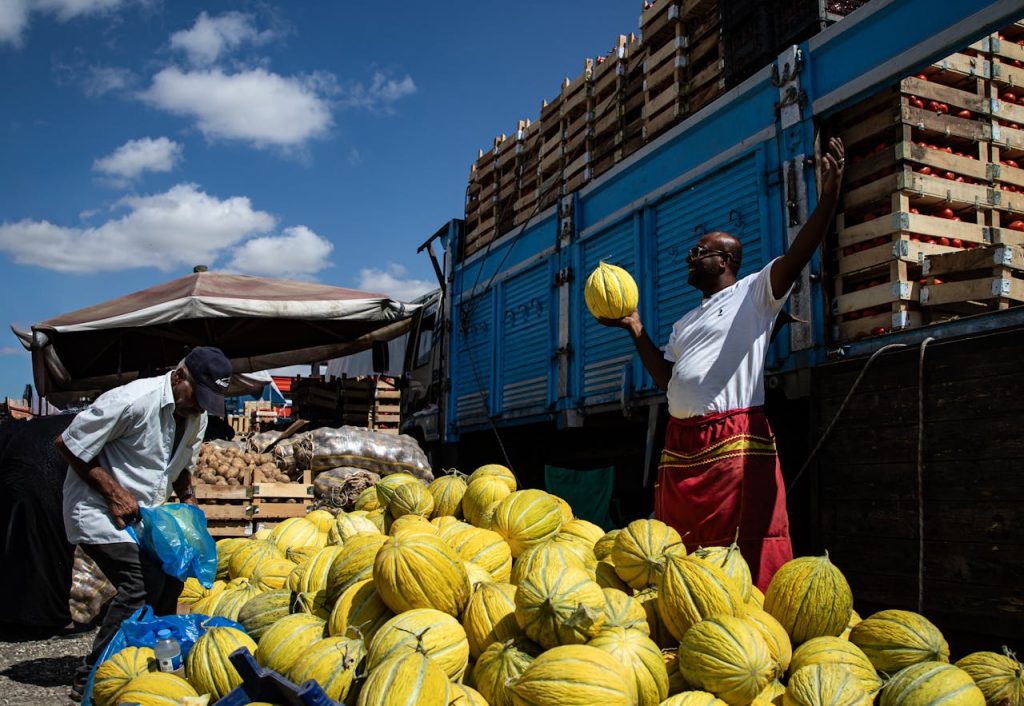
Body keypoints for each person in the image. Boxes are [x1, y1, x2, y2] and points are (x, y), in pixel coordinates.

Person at [602, 137, 845, 590]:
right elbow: (669, 381)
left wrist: (827, 199)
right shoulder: (684, 322)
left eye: (701, 250)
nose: (691, 257)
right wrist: (635, 328)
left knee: (740, 552)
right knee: (683, 556)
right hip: (680, 448)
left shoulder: (754, 294)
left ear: (727, 260)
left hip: (731, 440)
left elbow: (797, 256)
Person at [56, 346, 232, 700]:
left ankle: (151, 662)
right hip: (96, 510)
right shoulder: (134, 400)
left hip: (144, 518)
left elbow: (183, 466)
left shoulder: (195, 417)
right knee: (140, 583)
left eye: (208, 402)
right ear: (180, 376)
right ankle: (95, 673)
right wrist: (113, 492)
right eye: (198, 396)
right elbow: (69, 443)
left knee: (170, 580)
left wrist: (189, 502)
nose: (199, 406)